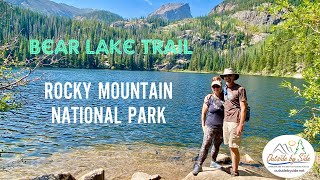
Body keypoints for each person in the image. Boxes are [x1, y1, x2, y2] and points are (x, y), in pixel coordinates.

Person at [192, 76, 224, 176]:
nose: (215, 88)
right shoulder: (209, 98)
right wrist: (203, 126)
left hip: (222, 127)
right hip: (210, 126)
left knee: (217, 145)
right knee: (205, 145)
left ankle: (213, 162)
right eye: (213, 87)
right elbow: (203, 113)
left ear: (221, 86)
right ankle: (199, 165)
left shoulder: (225, 97)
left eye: (217, 86)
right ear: (211, 87)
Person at [220, 68, 247, 176]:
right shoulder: (225, 88)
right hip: (226, 121)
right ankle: (233, 167)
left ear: (234, 77)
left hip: (235, 122)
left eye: (230, 75)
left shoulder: (240, 89)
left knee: (234, 147)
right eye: (226, 76)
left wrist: (241, 124)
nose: (227, 77)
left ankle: (235, 171)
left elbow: (244, 108)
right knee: (230, 145)